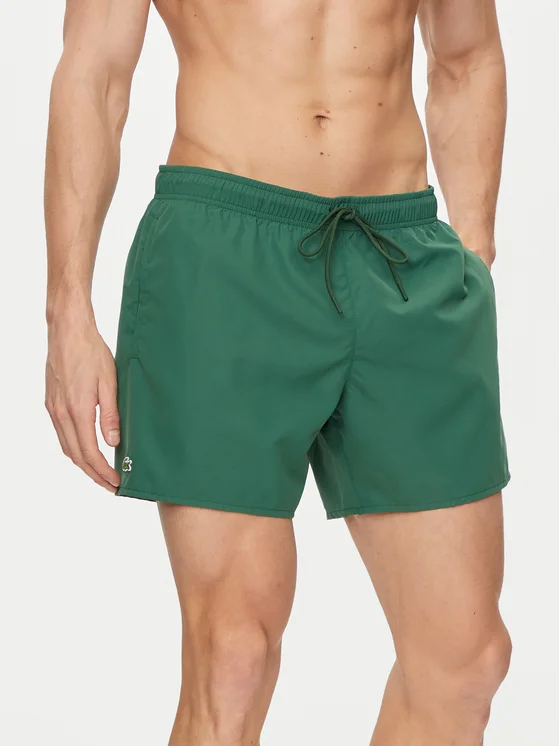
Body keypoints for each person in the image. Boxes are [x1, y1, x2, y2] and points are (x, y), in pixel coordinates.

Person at [44, 0, 511, 743]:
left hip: (404, 257)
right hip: (222, 255)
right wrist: (68, 311)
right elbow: (95, 72)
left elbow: (466, 55)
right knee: (234, 652)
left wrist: (474, 253)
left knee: (465, 661)